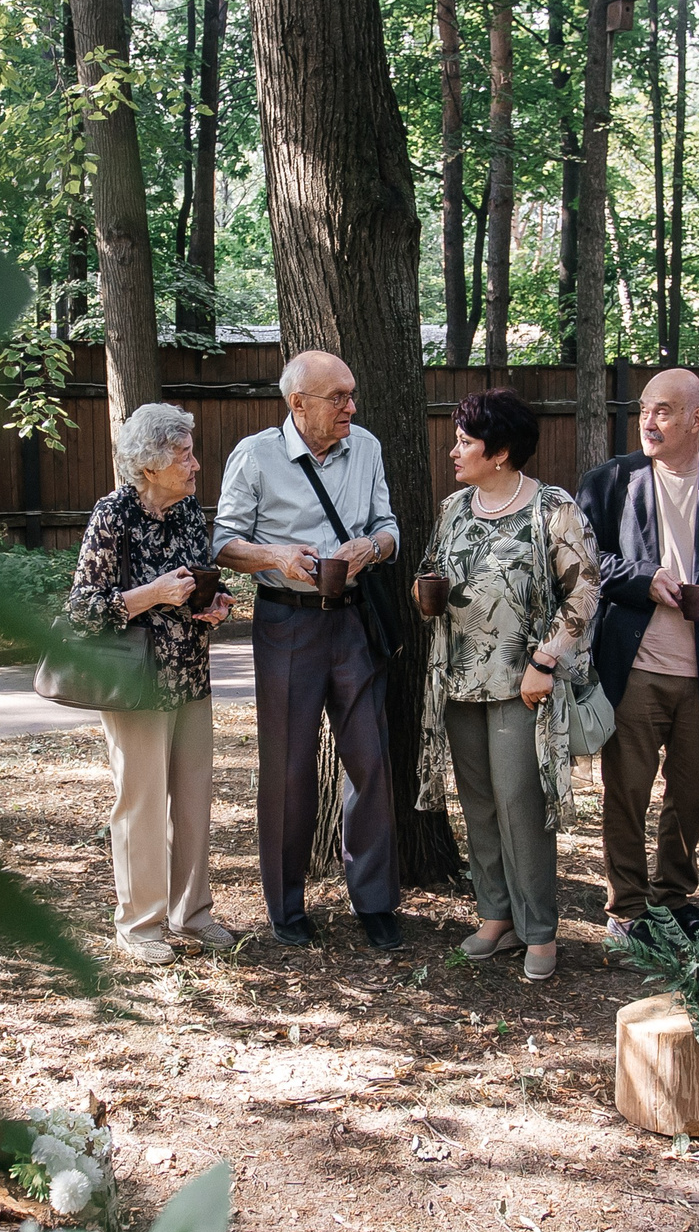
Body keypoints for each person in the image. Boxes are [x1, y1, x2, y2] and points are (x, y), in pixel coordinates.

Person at [213, 350, 406, 950]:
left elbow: (389, 526)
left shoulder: (366, 447)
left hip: (352, 623)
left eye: (352, 395)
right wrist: (278, 556)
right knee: (290, 769)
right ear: (298, 404)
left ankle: (375, 902)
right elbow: (223, 541)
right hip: (285, 623)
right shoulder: (255, 455)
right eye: (339, 397)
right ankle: (286, 906)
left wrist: (368, 550)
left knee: (370, 762)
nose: (352, 406)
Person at [415, 389, 602, 983]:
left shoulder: (552, 507)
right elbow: (432, 567)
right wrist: (427, 593)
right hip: (458, 681)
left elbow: (585, 589)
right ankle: (496, 916)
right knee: (479, 805)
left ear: (499, 452)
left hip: (524, 686)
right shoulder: (453, 508)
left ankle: (540, 930)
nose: (454, 451)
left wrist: (545, 661)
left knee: (522, 807)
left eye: (465, 441)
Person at [577, 368, 699, 941]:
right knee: (627, 793)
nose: (650, 421)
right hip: (634, 666)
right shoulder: (610, 480)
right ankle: (627, 908)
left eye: (664, 410)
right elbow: (584, 563)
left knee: (691, 795)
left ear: (696, 419)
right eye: (644, 410)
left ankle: (674, 898)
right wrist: (643, 577)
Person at [65, 403, 239, 964]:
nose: (195, 464)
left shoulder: (188, 511)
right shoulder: (112, 514)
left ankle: (192, 914)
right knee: (140, 804)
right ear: (151, 464)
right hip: (135, 682)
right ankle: (140, 925)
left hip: (190, 673)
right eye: (184, 454)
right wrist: (152, 595)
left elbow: (194, 585)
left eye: (191, 452)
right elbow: (82, 610)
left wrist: (214, 608)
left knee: (192, 801)